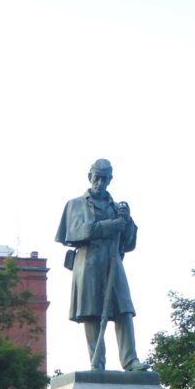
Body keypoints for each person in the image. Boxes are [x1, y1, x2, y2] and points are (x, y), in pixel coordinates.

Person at [56, 159, 150, 371]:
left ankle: (130, 360)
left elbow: (129, 241)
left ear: (110, 180)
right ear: (89, 177)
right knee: (92, 313)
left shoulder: (118, 208)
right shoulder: (75, 205)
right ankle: (97, 363)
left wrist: (126, 223)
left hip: (113, 262)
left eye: (104, 178)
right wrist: (111, 225)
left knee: (124, 309)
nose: (100, 182)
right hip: (88, 262)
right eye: (96, 177)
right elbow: (76, 232)